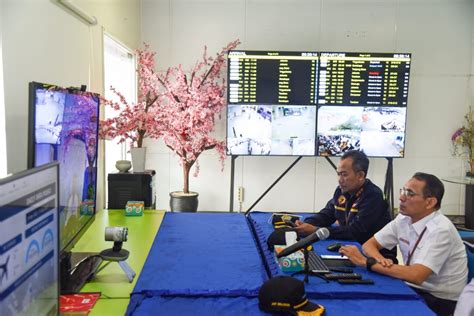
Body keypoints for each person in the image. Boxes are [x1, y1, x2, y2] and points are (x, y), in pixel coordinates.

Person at [340, 172, 468, 316]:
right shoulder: (403, 219)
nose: (401, 197)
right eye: (403, 191)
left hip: (441, 302)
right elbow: (369, 245)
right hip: (411, 287)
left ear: (430, 202)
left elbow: (417, 275)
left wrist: (367, 263)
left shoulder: (441, 230)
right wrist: (379, 260)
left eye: (410, 194)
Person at [294, 150, 396, 260]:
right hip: (351, 250)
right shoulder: (341, 191)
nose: (340, 180)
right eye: (338, 174)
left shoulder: (373, 196)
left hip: (378, 257)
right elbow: (327, 214)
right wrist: (306, 224)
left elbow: (355, 232)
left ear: (360, 175)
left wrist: (316, 231)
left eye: (344, 174)